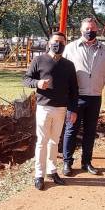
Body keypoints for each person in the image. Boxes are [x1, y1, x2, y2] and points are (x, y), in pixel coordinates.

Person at [23, 32, 78, 191]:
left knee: (55, 141)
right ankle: (39, 175)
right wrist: (38, 83)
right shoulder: (39, 60)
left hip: (61, 108)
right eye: (55, 41)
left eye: (61, 42)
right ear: (49, 43)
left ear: (65, 44)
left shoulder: (69, 65)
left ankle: (52, 171)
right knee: (42, 141)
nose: (58, 44)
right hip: (44, 107)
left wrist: (73, 109)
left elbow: (74, 90)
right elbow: (26, 79)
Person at [62, 17, 105, 176]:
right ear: (81, 30)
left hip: (95, 97)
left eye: (92, 29)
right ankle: (67, 163)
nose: (89, 31)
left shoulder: (104, 50)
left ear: (97, 30)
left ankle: (86, 162)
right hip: (75, 97)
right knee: (71, 130)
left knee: (90, 131)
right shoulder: (70, 48)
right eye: (86, 29)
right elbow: (62, 73)